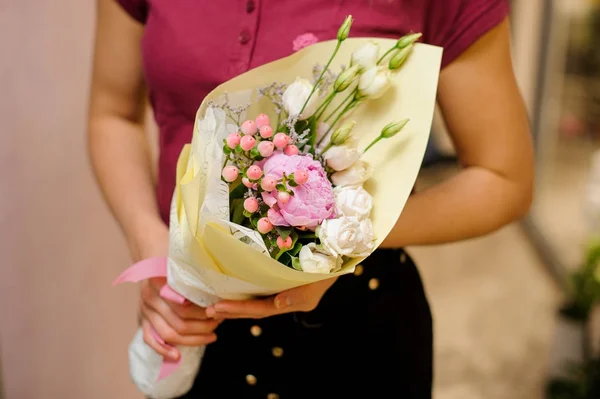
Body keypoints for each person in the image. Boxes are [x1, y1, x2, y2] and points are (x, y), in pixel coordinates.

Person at [87, 0, 533, 397]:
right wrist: (151, 245)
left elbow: (503, 178)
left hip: (354, 326)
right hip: (189, 321)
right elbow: (114, 115)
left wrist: (339, 240)